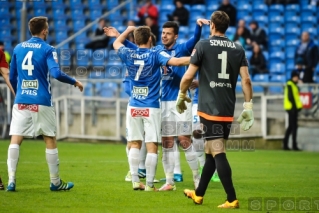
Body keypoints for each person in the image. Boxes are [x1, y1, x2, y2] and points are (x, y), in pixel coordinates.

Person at [104, 19, 209, 191]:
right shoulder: (157, 51)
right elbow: (138, 48)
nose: (164, 36)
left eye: (168, 33)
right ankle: (169, 182)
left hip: (181, 100)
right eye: (162, 33)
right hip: (163, 103)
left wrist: (198, 26)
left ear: (175, 36)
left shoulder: (182, 48)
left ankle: (197, 178)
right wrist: (118, 35)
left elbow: (195, 40)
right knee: (167, 141)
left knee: (184, 139)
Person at [177, 11, 253, 208]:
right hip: (227, 107)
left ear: (212, 25)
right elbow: (246, 80)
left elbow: (187, 77)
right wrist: (249, 106)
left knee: (217, 150)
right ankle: (199, 194)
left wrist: (181, 95)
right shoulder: (238, 47)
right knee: (211, 151)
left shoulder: (202, 45)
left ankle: (231, 198)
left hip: (210, 107)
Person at [7, 16, 83, 192]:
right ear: (44, 30)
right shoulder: (48, 49)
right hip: (41, 101)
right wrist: (74, 81)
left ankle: (11, 180)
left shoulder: (18, 48)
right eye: (47, 28)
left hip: (21, 100)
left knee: (16, 138)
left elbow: (12, 77)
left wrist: (20, 92)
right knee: (49, 138)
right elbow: (56, 74)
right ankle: (55, 182)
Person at [190, 79, 220, 182]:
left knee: (213, 136)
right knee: (196, 133)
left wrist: (203, 82)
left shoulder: (217, 63)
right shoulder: (199, 63)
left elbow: (221, 81)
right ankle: (203, 166)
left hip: (214, 102)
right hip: (197, 102)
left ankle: (215, 170)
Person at [283, 71, 303, 151]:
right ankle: (293, 145)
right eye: (296, 77)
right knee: (293, 127)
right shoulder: (290, 85)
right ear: (293, 77)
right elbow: (291, 97)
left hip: (292, 108)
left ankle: (285, 144)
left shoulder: (293, 85)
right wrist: (295, 108)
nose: (297, 78)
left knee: (291, 127)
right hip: (291, 108)